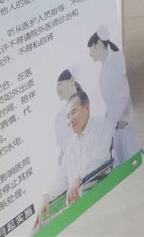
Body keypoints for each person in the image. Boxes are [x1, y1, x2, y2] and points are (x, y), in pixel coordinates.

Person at [35, 90, 112, 227]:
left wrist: (79, 177)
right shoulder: (72, 143)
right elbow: (62, 177)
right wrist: (47, 196)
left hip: (98, 196)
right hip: (76, 208)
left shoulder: (101, 125)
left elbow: (101, 158)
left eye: (73, 112)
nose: (70, 119)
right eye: (68, 116)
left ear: (86, 107)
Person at [87, 28, 134, 164]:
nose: (89, 54)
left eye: (90, 49)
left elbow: (130, 88)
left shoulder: (118, 59)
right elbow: (110, 101)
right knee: (121, 160)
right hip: (116, 125)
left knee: (131, 154)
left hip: (127, 121)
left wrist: (125, 114)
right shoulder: (103, 71)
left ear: (98, 44)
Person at [54, 70, 83, 165]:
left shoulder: (84, 104)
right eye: (56, 87)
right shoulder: (60, 116)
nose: (57, 89)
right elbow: (63, 149)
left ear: (71, 80)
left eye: (60, 85)